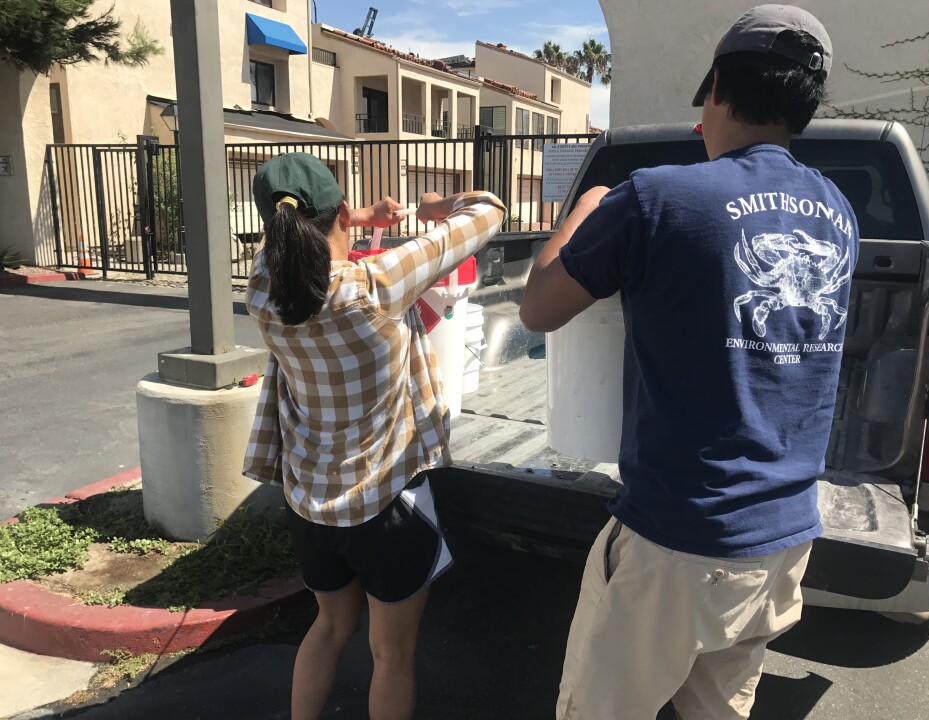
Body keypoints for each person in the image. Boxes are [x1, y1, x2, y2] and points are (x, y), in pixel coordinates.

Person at [520, 6, 858, 720]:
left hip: (679, 538)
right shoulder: (836, 210)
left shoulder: (658, 196)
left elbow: (539, 308)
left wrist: (582, 209)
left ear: (716, 88)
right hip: (785, 533)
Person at [242, 152, 505, 720]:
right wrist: (440, 206)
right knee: (391, 656)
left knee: (330, 626)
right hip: (387, 505)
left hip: (310, 503)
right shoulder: (377, 283)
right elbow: (489, 212)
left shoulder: (261, 290)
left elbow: (296, 245)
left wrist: (352, 220)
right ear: (337, 208)